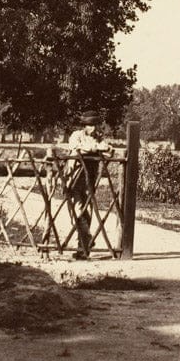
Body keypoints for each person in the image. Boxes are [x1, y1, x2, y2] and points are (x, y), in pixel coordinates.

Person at [65, 111, 112, 259]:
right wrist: (96, 148)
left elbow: (109, 151)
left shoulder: (98, 137)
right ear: (84, 125)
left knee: (87, 211)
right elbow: (78, 148)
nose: (92, 128)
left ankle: (82, 248)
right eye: (89, 125)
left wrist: (97, 148)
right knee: (76, 211)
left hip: (89, 178)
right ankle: (87, 240)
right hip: (75, 177)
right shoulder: (76, 135)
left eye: (94, 125)